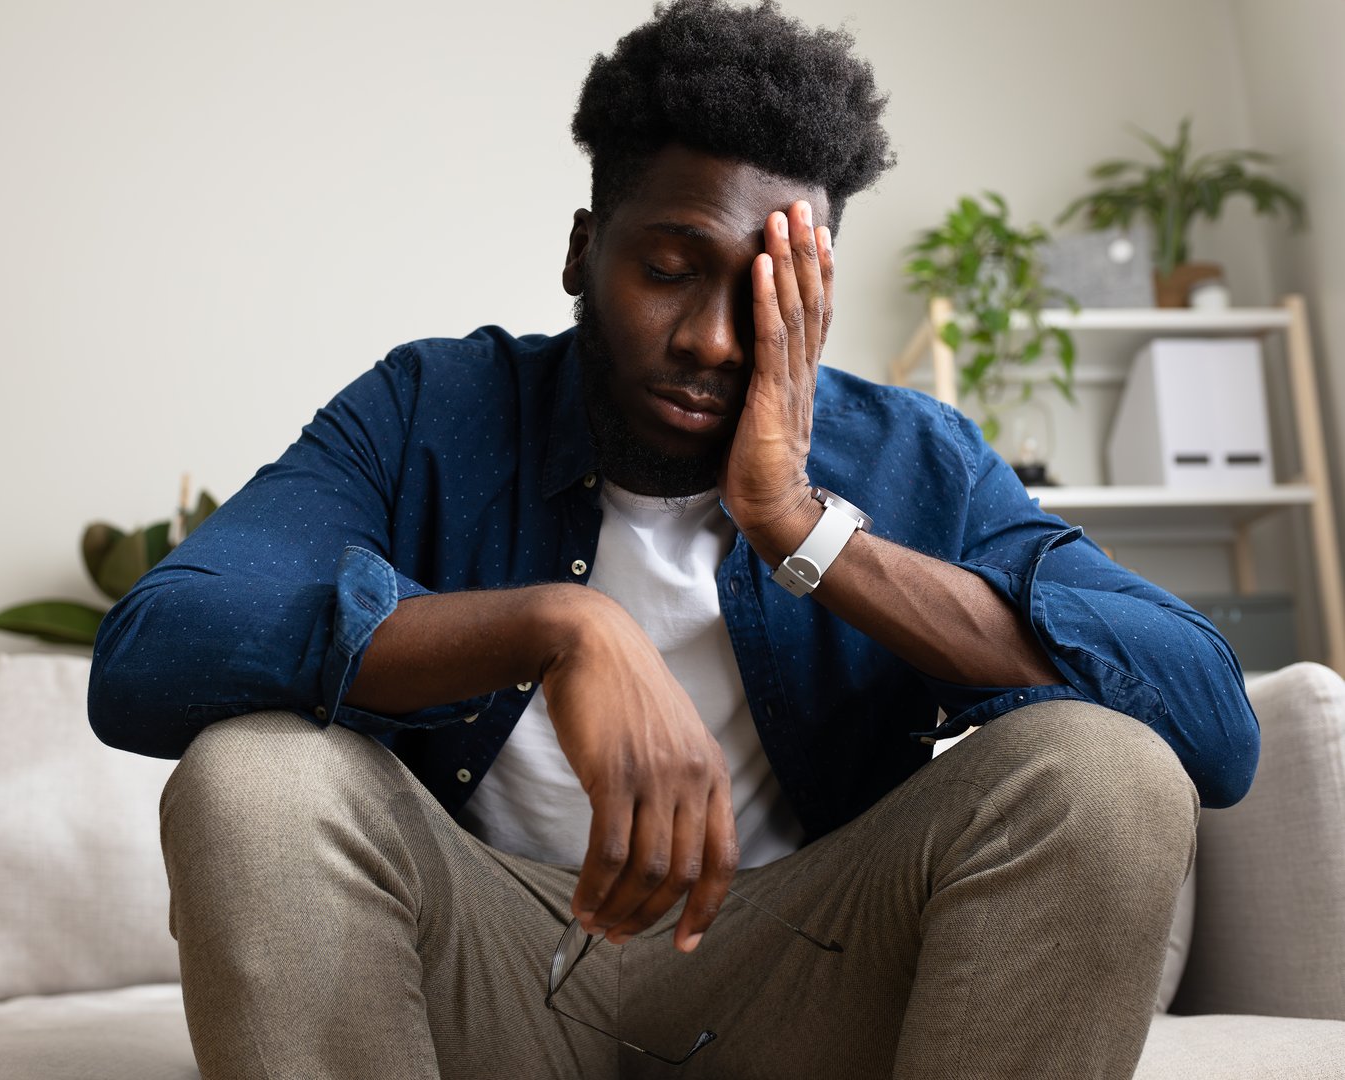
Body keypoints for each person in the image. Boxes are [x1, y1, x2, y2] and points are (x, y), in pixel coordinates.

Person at [88, 2, 1259, 1076]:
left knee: (1109, 775)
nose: (709, 337)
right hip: (483, 970)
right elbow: (154, 650)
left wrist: (801, 527)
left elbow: (1208, 720)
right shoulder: (429, 411)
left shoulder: (910, 458)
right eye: (666, 270)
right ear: (581, 251)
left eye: (763, 293)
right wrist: (560, 627)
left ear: (819, 294)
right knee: (253, 779)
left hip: (806, 976)